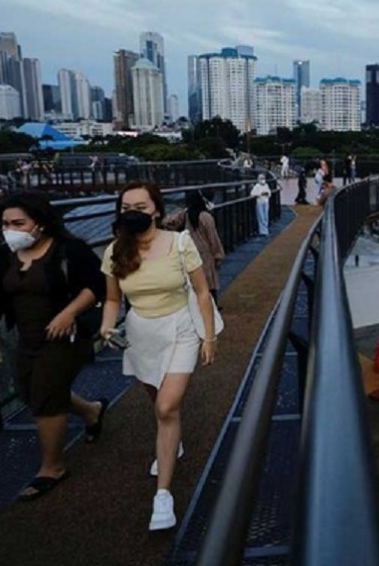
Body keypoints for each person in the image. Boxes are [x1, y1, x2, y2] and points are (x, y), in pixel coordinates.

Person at [0, 191, 107, 501]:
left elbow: (97, 285)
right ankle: (91, 411)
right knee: (32, 392)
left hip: (65, 337)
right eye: (5, 224)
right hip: (28, 338)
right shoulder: (4, 258)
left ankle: (52, 467)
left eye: (18, 222)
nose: (10, 230)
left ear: (39, 223)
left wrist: (69, 312)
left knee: (44, 395)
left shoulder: (70, 251)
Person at [99, 182, 217, 531]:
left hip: (180, 328)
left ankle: (162, 496)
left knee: (166, 407)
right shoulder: (114, 252)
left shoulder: (180, 243)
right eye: (126, 207)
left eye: (141, 205)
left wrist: (208, 337)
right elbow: (112, 300)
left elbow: (201, 292)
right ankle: (172, 442)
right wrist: (108, 327)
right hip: (140, 333)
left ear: (157, 210)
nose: (133, 212)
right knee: (157, 398)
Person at [164, 191, 226, 307]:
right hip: (205, 252)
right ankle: (212, 307)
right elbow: (213, 237)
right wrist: (218, 254)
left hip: (190, 249)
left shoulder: (186, 214)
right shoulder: (206, 217)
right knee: (209, 281)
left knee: (194, 280)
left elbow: (172, 222)